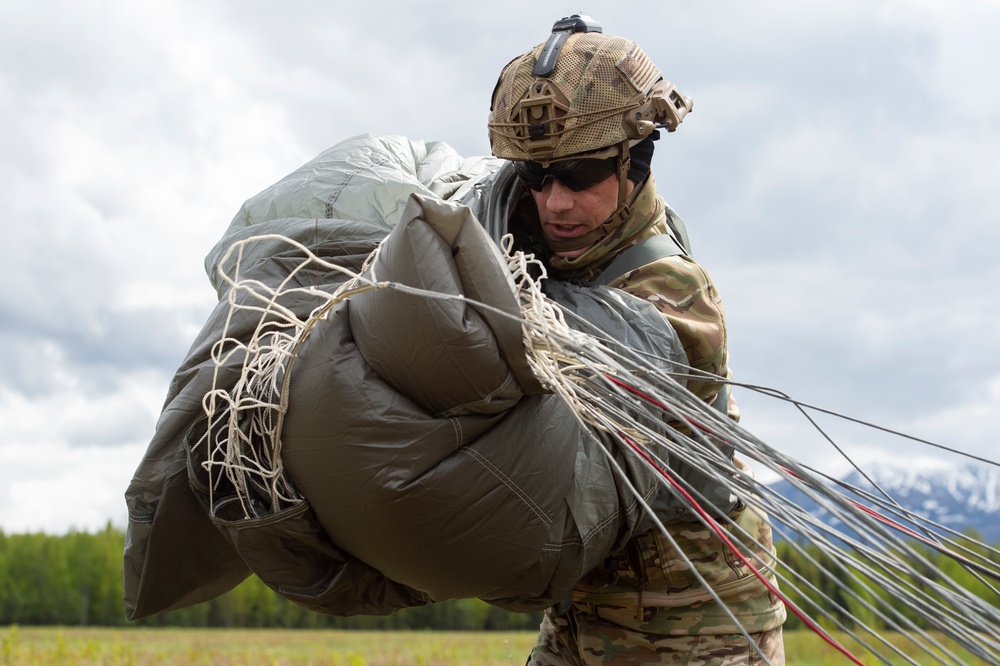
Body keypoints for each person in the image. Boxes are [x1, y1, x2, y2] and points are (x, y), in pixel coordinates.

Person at [485, 15, 787, 665]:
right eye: (536, 179)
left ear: (636, 162)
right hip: (585, 604)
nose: (555, 203)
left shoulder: (675, 291)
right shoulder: (570, 252)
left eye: (580, 174)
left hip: (695, 620)